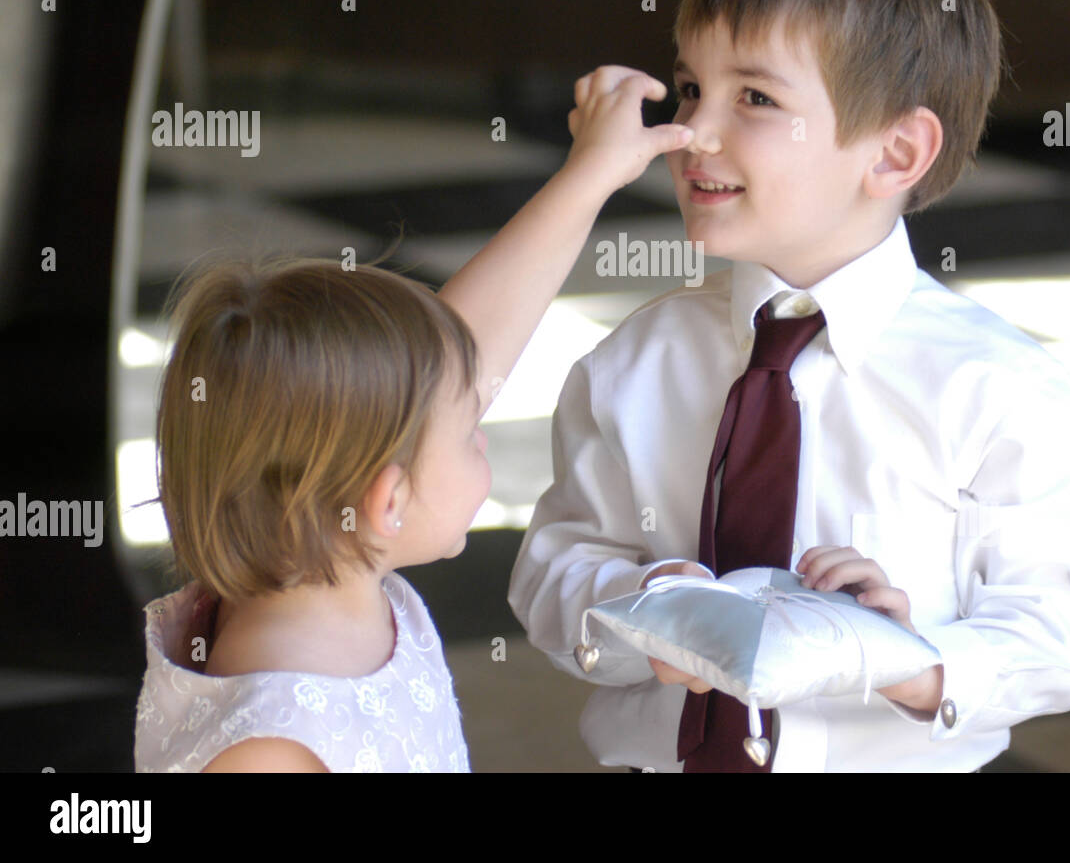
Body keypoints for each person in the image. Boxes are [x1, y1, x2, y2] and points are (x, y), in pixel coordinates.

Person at [508, 0, 1070, 772]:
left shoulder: (1004, 393)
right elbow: (556, 564)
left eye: (754, 97)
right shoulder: (631, 365)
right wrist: (641, 610)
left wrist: (896, 656)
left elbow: (1052, 641)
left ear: (896, 152)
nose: (694, 134)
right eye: (689, 89)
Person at [133, 70, 693, 772]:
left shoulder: (320, 576)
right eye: (469, 435)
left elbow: (445, 372)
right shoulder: (270, 744)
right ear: (388, 500)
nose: (482, 428)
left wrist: (590, 176)